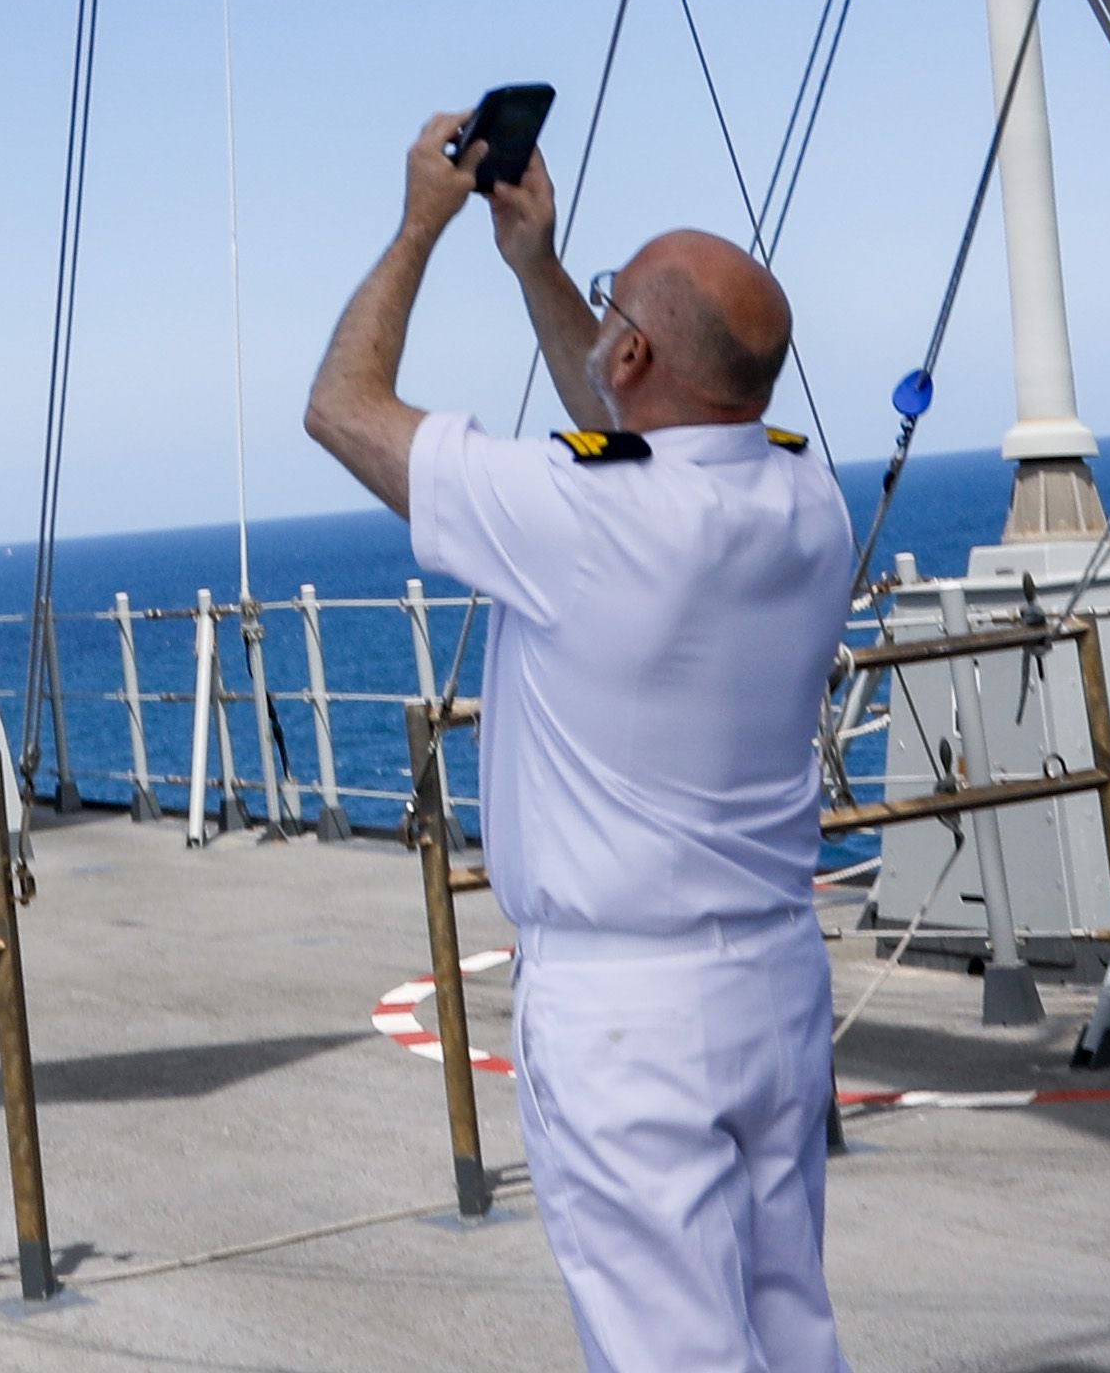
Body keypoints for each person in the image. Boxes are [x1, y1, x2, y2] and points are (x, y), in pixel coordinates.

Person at [306, 108, 854, 1373]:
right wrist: (539, 265)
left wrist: (420, 228)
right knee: (788, 1327)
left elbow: (342, 405)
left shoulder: (581, 519)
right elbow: (644, 423)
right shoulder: (802, 499)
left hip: (627, 1011)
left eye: (613, 307)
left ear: (635, 343)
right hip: (773, 981)